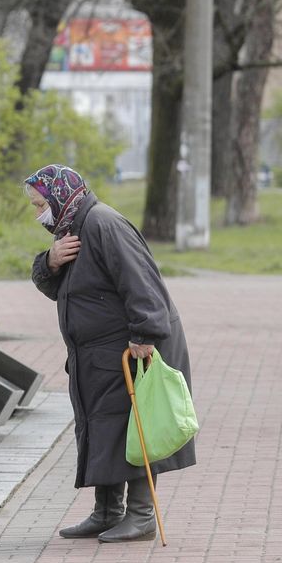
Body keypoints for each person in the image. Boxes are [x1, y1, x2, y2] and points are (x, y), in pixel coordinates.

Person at [26, 164, 195, 543]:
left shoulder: (103, 223)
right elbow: (59, 288)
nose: (38, 212)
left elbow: (141, 281)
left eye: (40, 203)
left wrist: (145, 333)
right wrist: (49, 262)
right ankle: (107, 511)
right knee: (105, 424)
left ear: (59, 196)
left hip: (133, 346)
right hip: (98, 352)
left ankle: (140, 515)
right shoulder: (73, 229)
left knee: (135, 425)